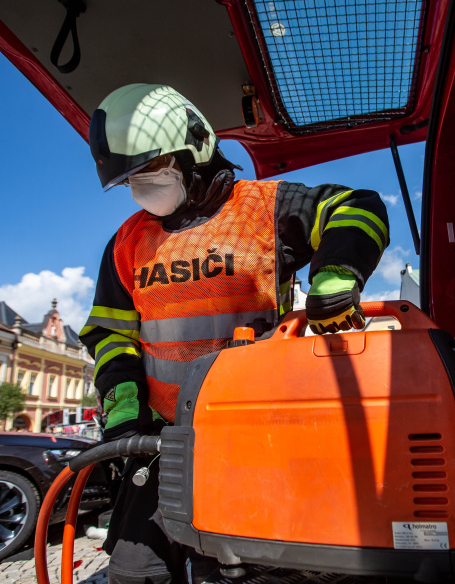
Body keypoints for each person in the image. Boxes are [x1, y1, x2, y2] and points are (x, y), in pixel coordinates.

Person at [79, 84, 390, 584]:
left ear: (196, 146)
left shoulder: (266, 207)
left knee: (238, 569)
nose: (142, 184)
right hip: (162, 444)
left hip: (254, 438)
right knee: (136, 574)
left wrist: (336, 275)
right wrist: (123, 410)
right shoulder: (127, 242)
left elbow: (357, 206)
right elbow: (110, 333)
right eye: (131, 178)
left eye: (152, 167)